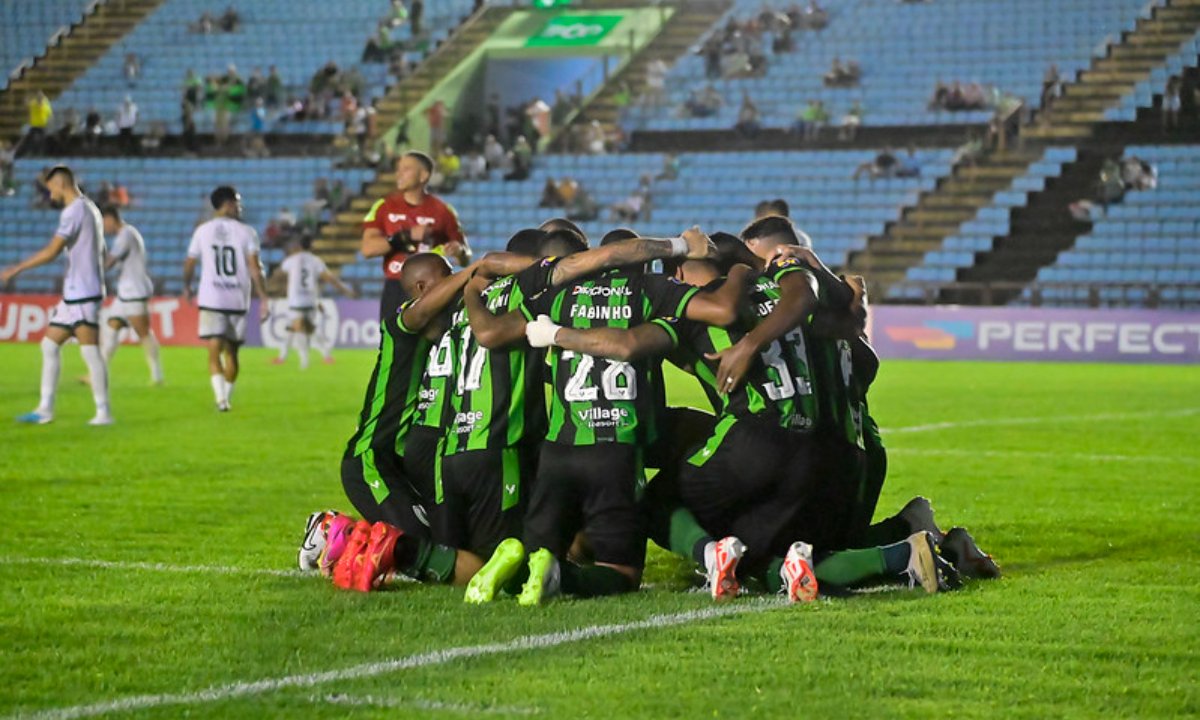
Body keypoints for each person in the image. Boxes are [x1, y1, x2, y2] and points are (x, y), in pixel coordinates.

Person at [465, 228, 752, 606]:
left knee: (546, 547)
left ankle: (520, 556)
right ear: (643, 262)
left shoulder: (558, 296)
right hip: (615, 451)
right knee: (622, 572)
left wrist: (470, 291)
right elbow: (713, 313)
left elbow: (490, 332)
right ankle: (560, 577)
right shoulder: (651, 292)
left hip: (560, 448)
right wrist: (743, 272)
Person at [1, 166, 111, 425]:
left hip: (83, 294)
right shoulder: (90, 208)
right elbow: (102, 249)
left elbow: (52, 251)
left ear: (61, 184)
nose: (50, 195)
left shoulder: (74, 211)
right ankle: (44, 409)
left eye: (51, 189)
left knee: (90, 352)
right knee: (49, 345)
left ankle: (103, 412)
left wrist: (16, 269)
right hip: (77, 292)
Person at [182, 186, 269, 412]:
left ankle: (220, 399)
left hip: (212, 298)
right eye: (237, 202)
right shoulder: (247, 232)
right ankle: (225, 398)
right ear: (228, 204)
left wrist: (187, 287)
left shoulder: (202, 231)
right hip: (237, 300)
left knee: (213, 349)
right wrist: (264, 298)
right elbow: (255, 268)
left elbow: (190, 263)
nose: (239, 207)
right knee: (232, 352)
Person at [360, 151, 470, 319]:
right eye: (398, 169)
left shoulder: (443, 211)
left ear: (423, 175)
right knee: (395, 343)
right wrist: (406, 236)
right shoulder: (384, 206)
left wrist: (459, 251)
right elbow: (368, 249)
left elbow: (466, 256)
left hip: (432, 288)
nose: (399, 173)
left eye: (406, 169)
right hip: (396, 286)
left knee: (436, 343)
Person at [99, 206, 162, 386]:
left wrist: (94, 271)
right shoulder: (125, 235)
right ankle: (98, 373)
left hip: (135, 291)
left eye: (104, 222)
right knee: (111, 326)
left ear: (111, 218)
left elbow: (111, 261)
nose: (104, 227)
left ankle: (157, 375)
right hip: (125, 293)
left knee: (144, 333)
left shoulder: (126, 234)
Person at [272, 240, 355, 369]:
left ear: (298, 246)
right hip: (310, 300)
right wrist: (344, 290)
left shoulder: (292, 259)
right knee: (304, 328)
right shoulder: (315, 260)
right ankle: (324, 355)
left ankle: (304, 361)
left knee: (299, 329)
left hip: (295, 300)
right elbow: (328, 278)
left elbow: (279, 274)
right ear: (311, 246)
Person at [25, 90, 53, 155]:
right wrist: (27, 97)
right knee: (31, 140)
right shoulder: (33, 104)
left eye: (41, 97)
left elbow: (50, 115)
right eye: (38, 97)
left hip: (42, 126)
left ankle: (41, 153)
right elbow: (26, 103)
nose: (40, 98)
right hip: (34, 126)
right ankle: (32, 152)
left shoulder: (46, 106)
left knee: (42, 141)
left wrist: (49, 123)